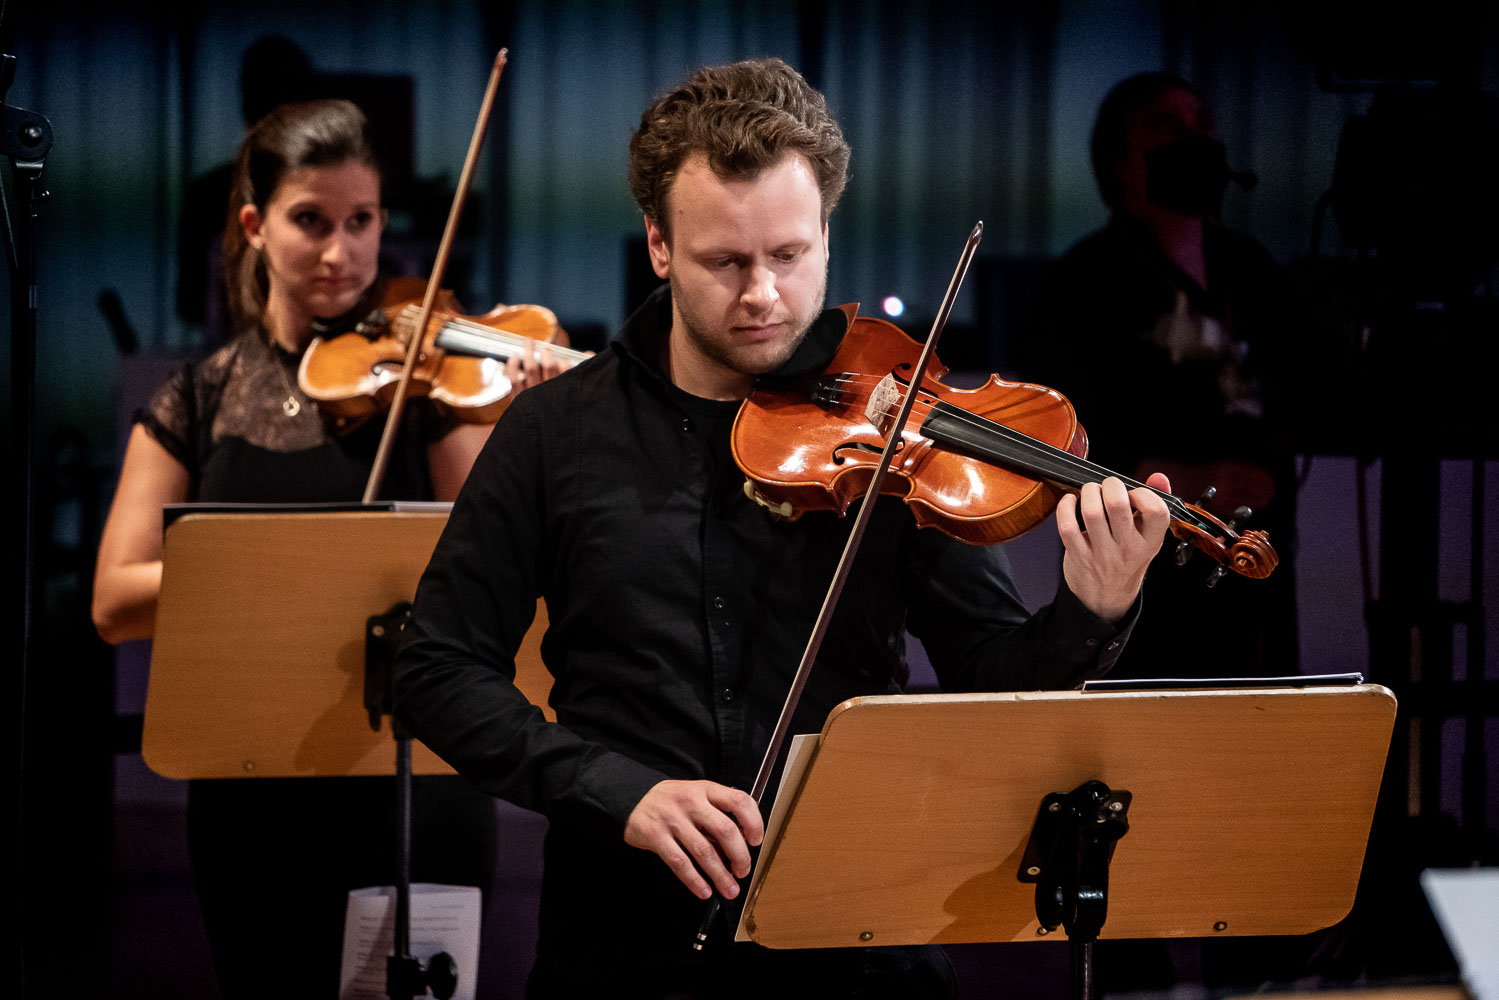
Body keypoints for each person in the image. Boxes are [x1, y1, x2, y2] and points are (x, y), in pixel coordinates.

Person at [393, 58, 1171, 998]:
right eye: (725, 261)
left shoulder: (893, 435)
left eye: (790, 256)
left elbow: (990, 673)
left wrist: (1093, 608)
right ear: (658, 244)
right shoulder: (556, 433)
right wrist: (614, 790)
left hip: (856, 940)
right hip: (623, 941)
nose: (762, 293)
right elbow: (436, 670)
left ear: (826, 239)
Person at [92, 99, 567, 998]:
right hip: (251, 790)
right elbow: (114, 600)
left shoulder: (427, 385)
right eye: (310, 221)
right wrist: (274, 573)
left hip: (417, 778)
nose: (341, 253)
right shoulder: (198, 400)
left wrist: (505, 412)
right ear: (254, 226)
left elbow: (500, 559)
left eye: (361, 222)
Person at [1020, 72, 1299, 682]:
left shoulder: (1249, 267)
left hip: (1255, 552)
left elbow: (1295, 393)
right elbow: (1061, 432)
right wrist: (1183, 477)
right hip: (1145, 565)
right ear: (1119, 162)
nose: (1195, 139)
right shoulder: (1083, 282)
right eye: (1168, 127)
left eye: (1201, 125)